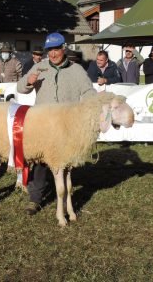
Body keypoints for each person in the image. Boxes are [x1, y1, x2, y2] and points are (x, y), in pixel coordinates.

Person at [17, 32, 96, 215]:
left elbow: (88, 91)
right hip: (43, 125)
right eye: (49, 50)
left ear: (63, 48)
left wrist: (93, 102)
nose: (52, 54)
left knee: (66, 163)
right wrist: (28, 82)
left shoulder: (76, 70)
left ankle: (65, 197)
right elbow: (20, 87)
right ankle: (35, 199)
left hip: (66, 126)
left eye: (56, 49)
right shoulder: (40, 67)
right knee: (39, 163)